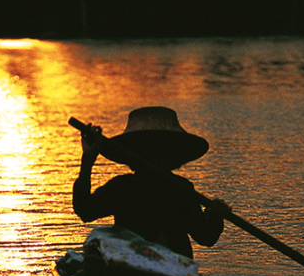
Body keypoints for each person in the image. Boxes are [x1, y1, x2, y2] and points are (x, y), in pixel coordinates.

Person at [73, 106, 228, 259]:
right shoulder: (124, 187)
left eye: (160, 151)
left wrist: (215, 216)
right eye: (150, 151)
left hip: (174, 271)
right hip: (133, 269)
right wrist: (87, 160)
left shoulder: (180, 189)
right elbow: (86, 211)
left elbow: (205, 236)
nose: (155, 157)